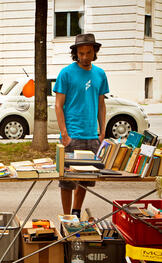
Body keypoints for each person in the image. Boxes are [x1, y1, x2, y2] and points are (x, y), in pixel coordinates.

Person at [54, 33, 109, 217]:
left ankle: (76, 214)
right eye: (81, 53)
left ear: (95, 52)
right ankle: (66, 218)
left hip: (92, 136)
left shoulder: (100, 74)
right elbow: (58, 105)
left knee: (84, 181)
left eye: (88, 53)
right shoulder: (66, 73)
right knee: (67, 182)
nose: (85, 57)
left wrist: (102, 132)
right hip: (72, 136)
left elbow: (101, 104)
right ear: (75, 53)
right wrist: (64, 134)